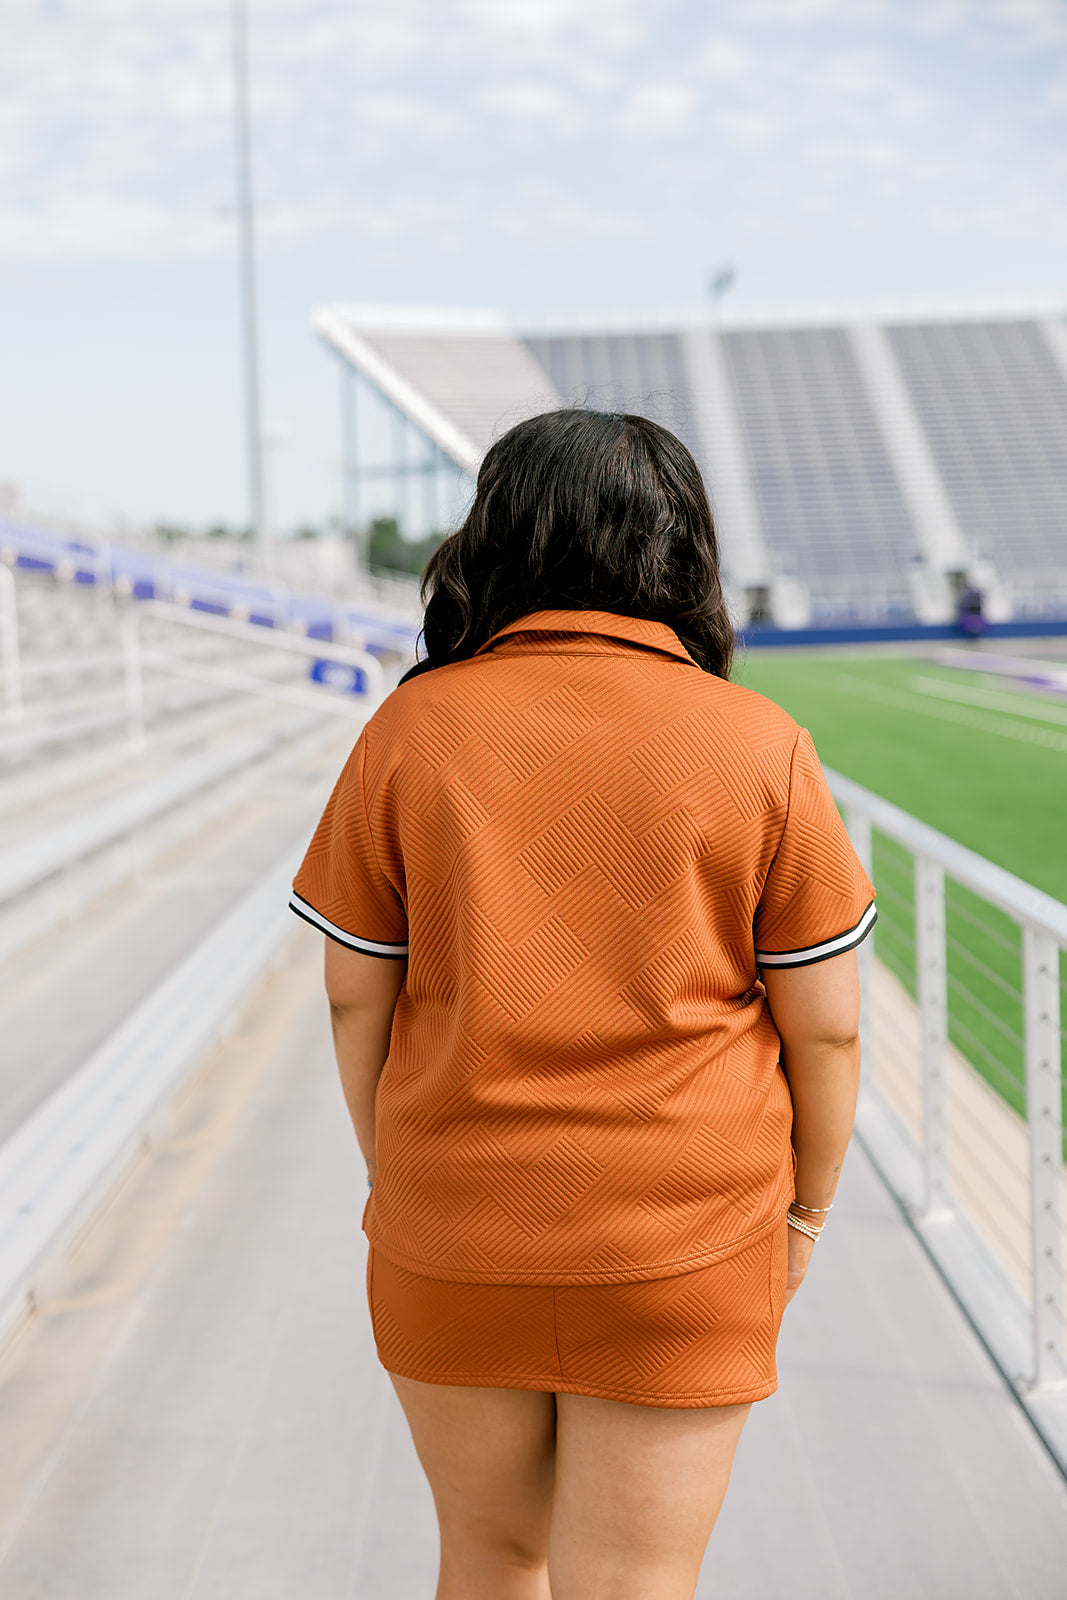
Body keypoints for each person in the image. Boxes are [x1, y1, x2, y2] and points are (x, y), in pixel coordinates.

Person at [289, 409, 875, 1600]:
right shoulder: (758, 743)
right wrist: (803, 1216)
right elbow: (827, 1024)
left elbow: (356, 1001)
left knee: (488, 1560)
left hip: (451, 1230)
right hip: (689, 1240)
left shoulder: (411, 728)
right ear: (680, 552)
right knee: (638, 1581)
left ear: (491, 542)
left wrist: (395, 1168)